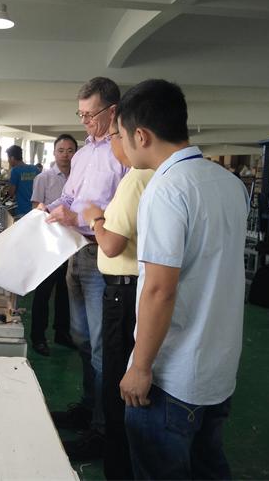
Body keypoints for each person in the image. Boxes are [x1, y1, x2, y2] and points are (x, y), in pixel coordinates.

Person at [117, 79, 249, 479]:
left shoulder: (166, 189)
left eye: (121, 135)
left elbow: (160, 289)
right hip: (218, 368)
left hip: (172, 377)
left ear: (141, 135)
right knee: (209, 467)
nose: (121, 146)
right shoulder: (230, 183)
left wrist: (141, 367)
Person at [43, 77, 129, 460]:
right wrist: (49, 208)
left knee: (101, 346)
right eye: (80, 115)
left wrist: (75, 216)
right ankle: (88, 406)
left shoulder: (122, 153)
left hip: (103, 256)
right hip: (75, 252)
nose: (85, 122)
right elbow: (70, 196)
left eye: (90, 115)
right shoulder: (82, 155)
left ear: (113, 110)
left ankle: (102, 429)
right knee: (80, 337)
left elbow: (121, 212)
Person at [82, 115, 154, 479]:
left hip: (122, 292)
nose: (112, 145)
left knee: (116, 382)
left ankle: (118, 465)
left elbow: (111, 244)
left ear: (136, 136)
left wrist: (95, 218)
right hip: (134, 289)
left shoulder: (135, 179)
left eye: (114, 136)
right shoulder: (159, 176)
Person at [29, 134, 78, 356]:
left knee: (65, 291)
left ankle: (62, 332)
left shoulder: (79, 176)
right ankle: (38, 337)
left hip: (73, 242)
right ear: (54, 152)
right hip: (49, 243)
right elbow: (36, 209)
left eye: (70, 150)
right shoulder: (44, 178)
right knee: (44, 291)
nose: (65, 155)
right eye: (61, 150)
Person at [6, 145, 39, 217]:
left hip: (22, 211)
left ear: (12, 158)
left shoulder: (15, 171)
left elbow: (11, 193)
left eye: (8, 158)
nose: (8, 161)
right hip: (35, 210)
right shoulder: (35, 169)